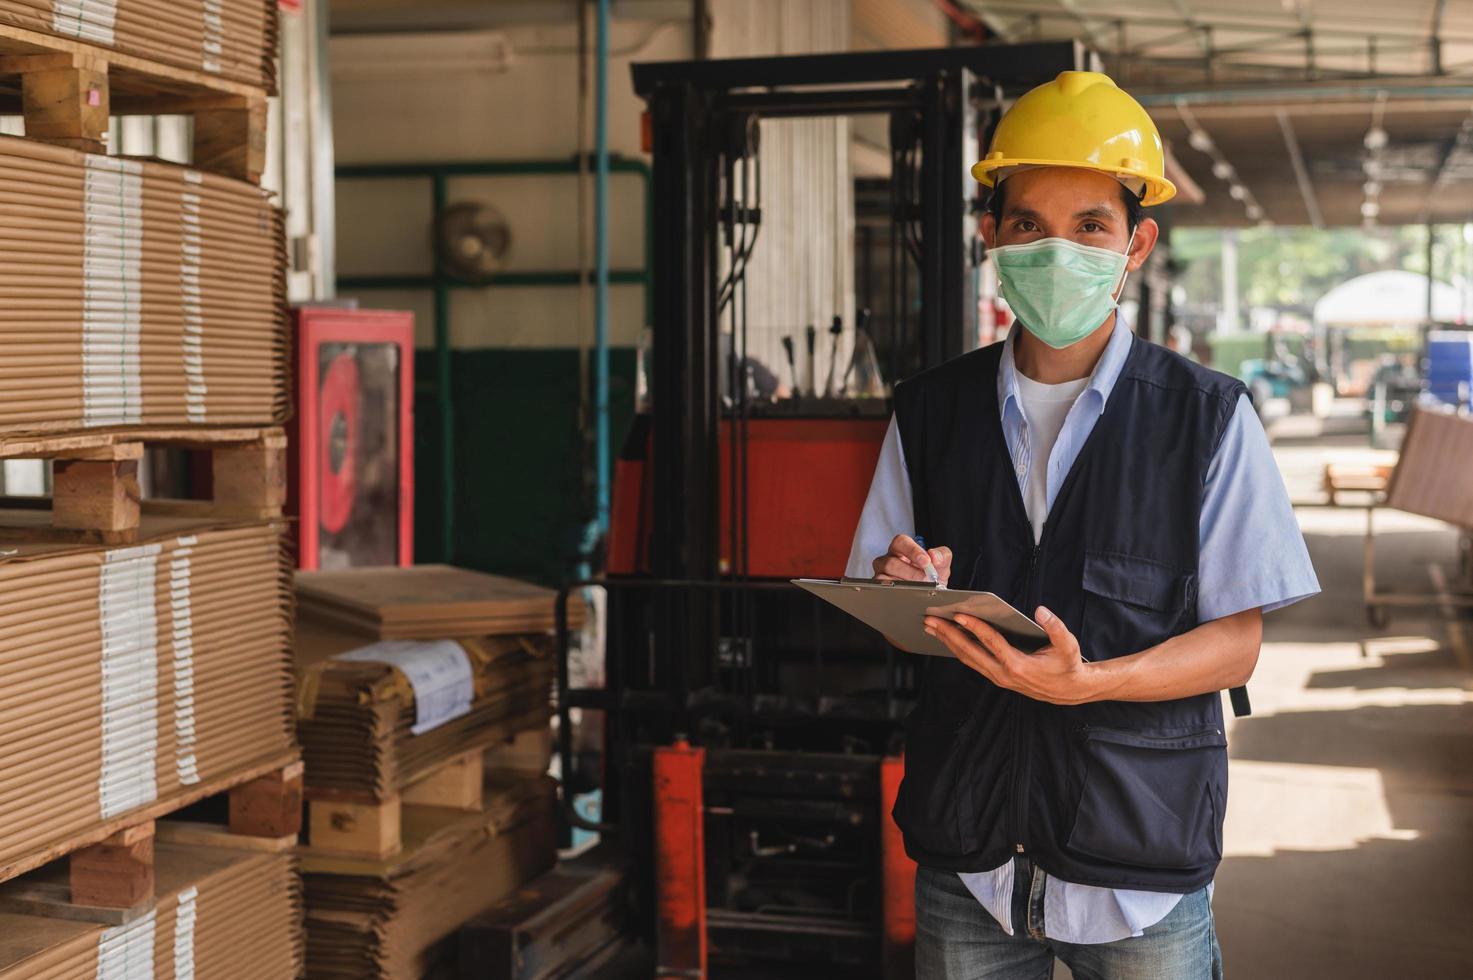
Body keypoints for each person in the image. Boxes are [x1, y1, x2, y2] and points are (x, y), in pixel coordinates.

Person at [844, 71, 1318, 979]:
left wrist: (1089, 683)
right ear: (992, 237)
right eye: (1028, 224)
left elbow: (1236, 645)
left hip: (1135, 862)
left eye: (1088, 226)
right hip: (969, 856)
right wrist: (905, 594)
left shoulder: (1207, 417)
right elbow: (887, 596)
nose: (1054, 249)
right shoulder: (930, 413)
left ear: (1134, 243)